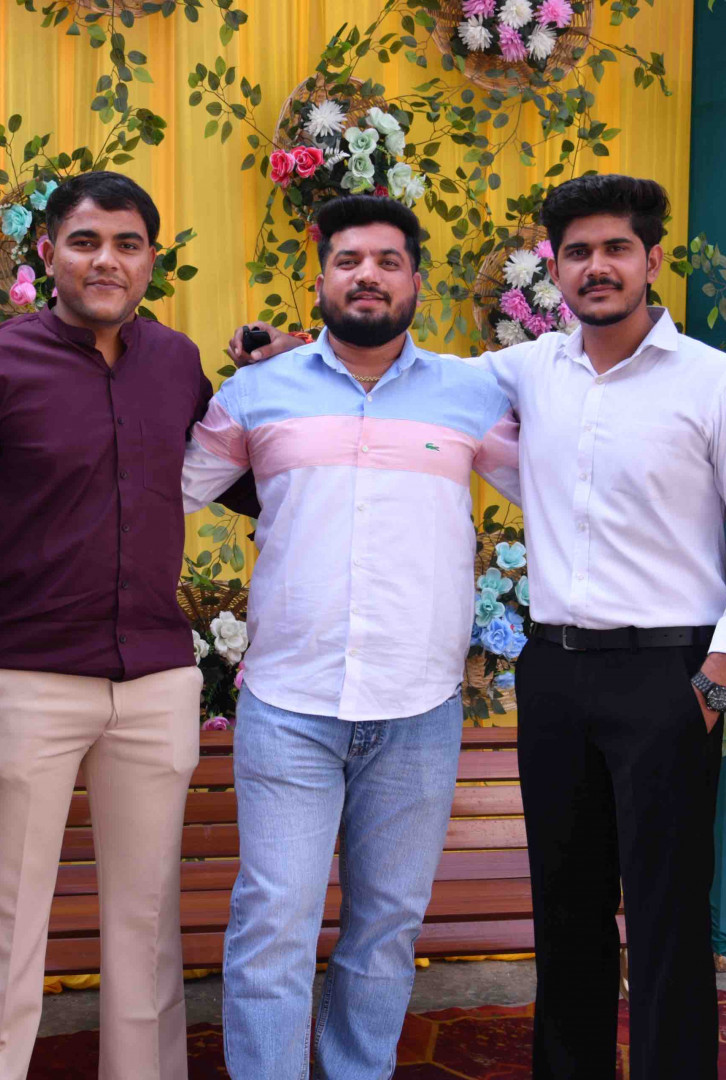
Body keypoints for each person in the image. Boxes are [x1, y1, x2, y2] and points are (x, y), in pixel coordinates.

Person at [238, 175, 726, 1079]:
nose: (597, 267)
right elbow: (391, 371)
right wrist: (290, 353)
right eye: (578, 252)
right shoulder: (519, 371)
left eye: (616, 249)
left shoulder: (715, 382)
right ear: (556, 269)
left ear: (652, 260)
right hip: (558, 673)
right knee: (566, 913)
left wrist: (716, 681)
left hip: (672, 675)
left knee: (666, 916)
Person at [183, 194, 520, 1079]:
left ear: (416, 281)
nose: (367, 275)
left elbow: (566, 488)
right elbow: (160, 490)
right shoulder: (257, 392)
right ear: (322, 277)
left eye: (387, 261)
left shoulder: (471, 393)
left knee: (387, 924)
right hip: (289, 706)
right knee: (274, 921)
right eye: (348, 260)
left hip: (419, 708)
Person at [0, 171, 255, 1080]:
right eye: (84, 242)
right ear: (48, 254)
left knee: (148, 923)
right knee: (6, 918)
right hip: (29, 677)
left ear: (151, 260)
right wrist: (11, 557)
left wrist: (289, 384)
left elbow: (237, 476)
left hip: (156, 678)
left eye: (126, 244)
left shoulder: (177, 363)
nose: (105, 260)